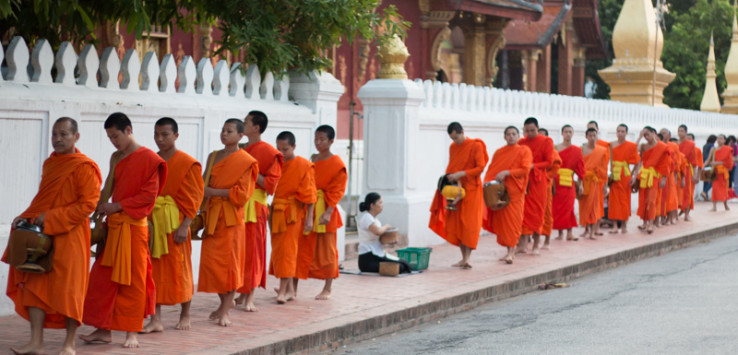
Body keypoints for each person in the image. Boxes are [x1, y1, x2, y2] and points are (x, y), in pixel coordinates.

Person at [3, 117, 101, 355]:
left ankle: (69, 343)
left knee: (70, 289)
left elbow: (88, 205)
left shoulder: (84, 166)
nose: (57, 139)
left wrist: (52, 217)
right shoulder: (51, 164)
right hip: (43, 236)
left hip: (71, 236)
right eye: (54, 134)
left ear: (76, 137)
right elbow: (43, 199)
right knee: (34, 285)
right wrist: (26, 216)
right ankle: (36, 342)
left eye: (64, 134)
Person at [81, 112, 166, 348]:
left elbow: (149, 195)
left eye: (116, 136)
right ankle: (102, 329)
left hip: (134, 229)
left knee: (133, 281)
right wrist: (96, 208)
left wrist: (116, 206)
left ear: (129, 130)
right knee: (102, 280)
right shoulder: (116, 157)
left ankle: (132, 332)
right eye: (109, 137)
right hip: (114, 228)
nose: (113, 141)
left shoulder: (150, 159)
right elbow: (109, 184)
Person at [142, 117, 204, 334]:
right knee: (153, 270)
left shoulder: (188, 163)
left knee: (181, 268)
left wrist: (185, 226)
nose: (160, 139)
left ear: (176, 136)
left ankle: (185, 313)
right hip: (154, 224)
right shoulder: (151, 160)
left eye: (165, 135)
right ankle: (155, 318)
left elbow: (195, 197)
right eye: (156, 134)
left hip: (176, 223)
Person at [197, 119, 258, 327]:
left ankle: (224, 311)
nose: (224, 134)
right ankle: (224, 304)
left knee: (230, 265)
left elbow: (242, 195)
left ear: (241, 136)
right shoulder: (213, 156)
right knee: (212, 264)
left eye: (229, 131)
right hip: (213, 216)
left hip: (232, 218)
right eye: (223, 130)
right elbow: (202, 183)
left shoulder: (246, 161)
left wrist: (213, 192)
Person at [236, 111, 283, 312]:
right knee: (239, 250)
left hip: (255, 206)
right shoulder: (238, 149)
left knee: (254, 252)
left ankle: (251, 296)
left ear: (256, 127)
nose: (243, 124)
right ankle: (241, 291)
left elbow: (271, 184)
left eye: (246, 122)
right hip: (238, 204)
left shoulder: (269, 152)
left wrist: (252, 172)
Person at [295, 125, 347, 300]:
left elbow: (338, 190)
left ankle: (327, 288)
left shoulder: (337, 163)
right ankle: (292, 288)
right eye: (316, 139)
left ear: (331, 141)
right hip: (308, 208)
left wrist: (328, 212)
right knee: (301, 247)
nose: (318, 143)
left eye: (322, 139)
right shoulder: (313, 159)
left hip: (325, 208)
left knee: (327, 250)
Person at [429, 122, 488, 268]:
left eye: (456, 137)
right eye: (452, 138)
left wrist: (463, 173)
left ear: (462, 132)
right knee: (458, 224)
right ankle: (463, 258)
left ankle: (468, 258)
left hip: (472, 189)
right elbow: (452, 165)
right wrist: (448, 180)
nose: (455, 141)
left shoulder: (476, 145)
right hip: (456, 190)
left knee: (469, 223)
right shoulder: (453, 147)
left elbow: (480, 167)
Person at [269, 131, 316, 304]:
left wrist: (310, 219)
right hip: (277, 211)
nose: (282, 153)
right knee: (279, 251)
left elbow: (310, 195)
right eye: (279, 149)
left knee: (287, 252)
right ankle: (289, 290)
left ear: (294, 147)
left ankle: (283, 291)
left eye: (286, 149)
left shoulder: (304, 165)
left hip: (293, 214)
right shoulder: (277, 163)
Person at [482, 126, 532, 264]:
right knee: (503, 224)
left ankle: (511, 252)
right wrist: (487, 184)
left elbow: (525, 169)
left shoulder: (524, 150)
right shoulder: (499, 152)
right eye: (508, 134)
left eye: (514, 134)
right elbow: (491, 170)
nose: (511, 136)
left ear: (518, 136)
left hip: (515, 192)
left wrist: (507, 173)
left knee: (513, 223)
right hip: (500, 192)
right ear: (504, 137)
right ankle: (508, 251)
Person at [517, 117, 554, 254]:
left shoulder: (546, 141)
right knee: (523, 212)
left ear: (538, 128)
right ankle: (523, 244)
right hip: (524, 180)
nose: (530, 133)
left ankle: (536, 245)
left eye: (532, 130)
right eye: (527, 130)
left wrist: (533, 166)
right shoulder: (521, 142)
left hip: (538, 181)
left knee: (538, 211)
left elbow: (549, 162)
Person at [356, 192, 411, 273]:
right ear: (372, 205)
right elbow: (378, 231)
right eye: (380, 203)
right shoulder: (366, 217)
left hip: (376, 254)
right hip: (368, 258)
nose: (382, 205)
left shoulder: (375, 219)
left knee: (405, 264)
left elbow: (379, 239)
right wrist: (386, 226)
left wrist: (390, 241)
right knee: (401, 267)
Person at [632, 127, 669, 234]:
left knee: (652, 200)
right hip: (644, 175)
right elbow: (634, 150)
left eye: (647, 134)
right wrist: (639, 137)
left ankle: (651, 224)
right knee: (643, 199)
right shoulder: (644, 146)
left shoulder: (662, 146)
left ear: (654, 133)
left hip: (654, 176)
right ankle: (645, 222)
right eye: (644, 136)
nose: (646, 137)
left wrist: (664, 178)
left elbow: (666, 164)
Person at [553, 125, 585, 241]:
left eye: (570, 131)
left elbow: (580, 169)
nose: (568, 134)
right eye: (565, 132)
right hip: (556, 182)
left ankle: (569, 233)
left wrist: (581, 184)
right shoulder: (555, 148)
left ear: (573, 133)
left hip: (569, 183)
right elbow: (551, 166)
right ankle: (560, 233)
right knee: (557, 208)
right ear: (562, 134)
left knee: (569, 208)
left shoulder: (577, 150)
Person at [608, 124, 640, 234]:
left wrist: (634, 176)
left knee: (625, 200)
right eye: (618, 131)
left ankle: (624, 225)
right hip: (615, 174)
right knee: (613, 200)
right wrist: (610, 174)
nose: (620, 133)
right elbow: (610, 160)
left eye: (623, 131)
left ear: (626, 133)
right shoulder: (612, 144)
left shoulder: (631, 146)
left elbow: (637, 161)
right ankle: (615, 225)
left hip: (625, 175)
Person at [580, 128, 608, 239]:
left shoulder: (601, 151)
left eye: (594, 136)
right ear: (586, 137)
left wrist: (605, 185)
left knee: (593, 207)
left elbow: (604, 169)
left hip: (595, 183)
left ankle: (592, 231)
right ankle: (586, 230)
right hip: (584, 181)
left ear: (597, 136)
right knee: (584, 207)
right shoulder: (581, 150)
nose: (592, 138)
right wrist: (580, 183)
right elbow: (579, 168)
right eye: (590, 136)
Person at [538, 128, 561, 249]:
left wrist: (544, 177)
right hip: (533, 185)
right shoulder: (532, 149)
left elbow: (555, 168)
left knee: (546, 212)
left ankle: (547, 239)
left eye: (543, 137)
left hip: (545, 184)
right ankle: (531, 238)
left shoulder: (552, 151)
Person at [587, 120, 611, 230]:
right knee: (587, 203)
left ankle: (596, 226)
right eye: (589, 130)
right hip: (587, 179)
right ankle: (588, 226)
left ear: (597, 131)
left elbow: (605, 166)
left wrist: (605, 183)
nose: (592, 135)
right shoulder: (584, 148)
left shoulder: (604, 146)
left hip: (599, 178)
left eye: (594, 130)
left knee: (598, 203)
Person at [705, 134, 733, 211]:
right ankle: (714, 206)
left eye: (721, 138)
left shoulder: (727, 149)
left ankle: (725, 204)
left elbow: (729, 162)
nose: (719, 140)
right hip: (715, 172)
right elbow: (708, 159)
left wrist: (718, 163)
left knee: (724, 189)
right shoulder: (713, 149)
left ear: (724, 140)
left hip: (723, 173)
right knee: (715, 189)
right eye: (718, 138)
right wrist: (703, 165)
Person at [659, 129, 681, 225]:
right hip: (659, 173)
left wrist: (675, 176)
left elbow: (677, 161)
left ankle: (669, 217)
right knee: (661, 196)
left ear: (669, 135)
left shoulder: (673, 146)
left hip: (670, 174)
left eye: (664, 133)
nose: (663, 135)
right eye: (661, 133)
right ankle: (662, 217)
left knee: (670, 196)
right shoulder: (658, 145)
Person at [677, 125, 698, 221]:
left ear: (686, 132)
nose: (680, 133)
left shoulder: (690, 144)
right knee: (676, 192)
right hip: (677, 170)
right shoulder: (675, 143)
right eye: (679, 131)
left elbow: (694, 162)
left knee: (687, 192)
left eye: (682, 131)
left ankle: (686, 214)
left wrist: (694, 175)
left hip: (687, 170)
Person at [688, 133, 703, 209]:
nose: (688, 141)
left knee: (690, 193)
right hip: (683, 173)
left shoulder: (697, 150)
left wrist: (697, 176)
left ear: (693, 140)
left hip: (691, 173)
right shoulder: (680, 147)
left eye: (690, 139)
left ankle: (687, 212)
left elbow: (700, 165)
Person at [701, 134, 716, 200]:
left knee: (705, 180)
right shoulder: (712, 146)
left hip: (704, 163)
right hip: (709, 163)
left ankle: (705, 196)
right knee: (711, 180)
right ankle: (705, 192)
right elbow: (711, 156)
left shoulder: (705, 145)